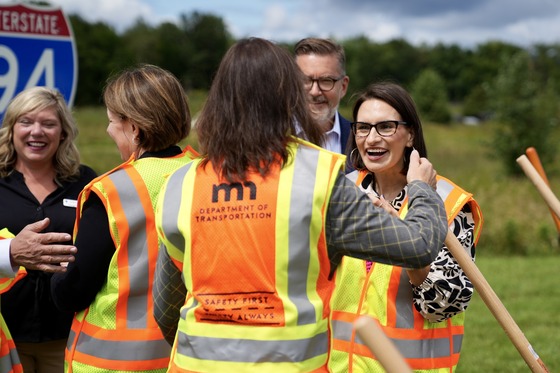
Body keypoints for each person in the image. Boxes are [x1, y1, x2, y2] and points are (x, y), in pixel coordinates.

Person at [152, 37, 448, 373]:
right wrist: (421, 188)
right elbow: (419, 246)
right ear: (288, 97)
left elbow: (166, 307)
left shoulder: (181, 184)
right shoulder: (316, 177)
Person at [50, 64, 197, 373]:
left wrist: (56, 279)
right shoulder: (207, 174)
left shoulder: (111, 190)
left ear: (135, 128)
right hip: (186, 356)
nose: (107, 129)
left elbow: (76, 290)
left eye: (113, 121)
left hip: (111, 362)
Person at [329, 82, 484, 372]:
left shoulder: (448, 203)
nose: (372, 139)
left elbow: (444, 306)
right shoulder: (340, 194)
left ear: (410, 134)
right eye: (363, 128)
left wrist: (406, 242)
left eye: (385, 127)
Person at [0, 86, 97, 373]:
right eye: (26, 122)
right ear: (11, 128)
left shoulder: (85, 181)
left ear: (63, 133)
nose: (37, 131)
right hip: (5, 335)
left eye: (48, 124)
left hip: (67, 335)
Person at [294, 37, 352, 155]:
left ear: (343, 87)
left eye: (326, 81)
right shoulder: (269, 139)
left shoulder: (361, 140)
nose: (315, 92)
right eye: (306, 80)